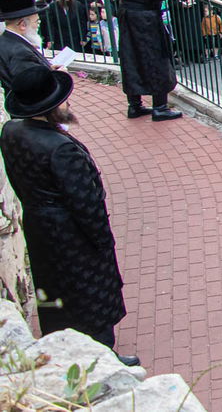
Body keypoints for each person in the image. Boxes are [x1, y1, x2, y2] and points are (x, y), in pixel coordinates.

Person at [0, 68, 138, 366]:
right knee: (90, 296)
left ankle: (61, 349)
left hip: (39, 226)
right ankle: (103, 359)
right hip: (69, 232)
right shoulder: (60, 149)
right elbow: (85, 202)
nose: (68, 103)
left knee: (54, 291)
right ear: (49, 108)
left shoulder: (11, 131)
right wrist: (102, 241)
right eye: (62, 100)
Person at [0, 0, 52, 93]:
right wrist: (58, 75)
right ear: (23, 25)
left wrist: (48, 70)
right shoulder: (20, 52)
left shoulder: (5, 40)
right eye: (37, 21)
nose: (38, 24)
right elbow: (33, 87)